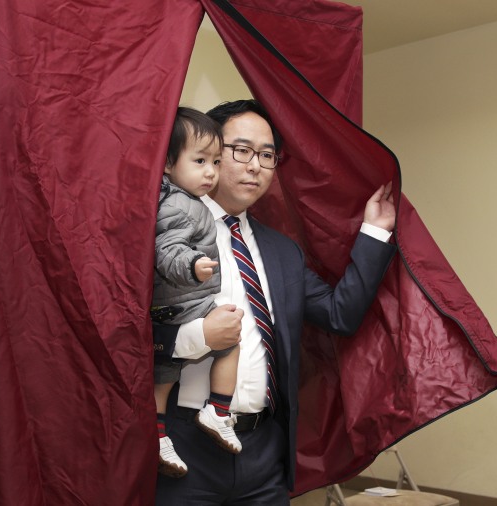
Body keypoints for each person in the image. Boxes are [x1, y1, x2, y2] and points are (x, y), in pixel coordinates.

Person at [153, 100, 397, 504]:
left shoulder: (282, 250)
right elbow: (119, 329)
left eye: (267, 155)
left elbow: (340, 313)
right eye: (242, 150)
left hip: (264, 451)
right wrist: (195, 337)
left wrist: (375, 231)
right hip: (181, 446)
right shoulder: (163, 230)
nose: (255, 166)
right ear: (209, 152)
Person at [152, 107, 243, 479]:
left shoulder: (181, 200)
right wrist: (192, 265)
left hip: (174, 302)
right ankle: (219, 410)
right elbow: (166, 250)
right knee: (230, 340)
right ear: (169, 163)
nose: (211, 171)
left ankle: (156, 433)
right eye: (201, 160)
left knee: (163, 376)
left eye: (216, 162)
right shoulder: (180, 205)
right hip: (184, 299)